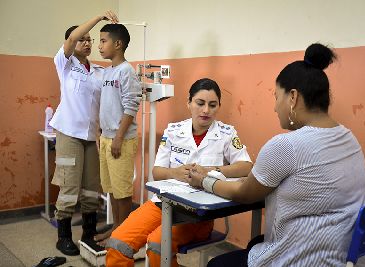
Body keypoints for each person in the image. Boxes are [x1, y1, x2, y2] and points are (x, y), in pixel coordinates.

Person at [188, 44, 365, 267]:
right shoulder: (349, 138)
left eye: (277, 97)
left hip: (311, 260)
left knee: (218, 264)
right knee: (256, 242)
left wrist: (204, 180)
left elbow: (245, 193)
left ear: (293, 97)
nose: (275, 108)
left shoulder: (287, 145)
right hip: (345, 255)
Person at [105, 78, 253, 267]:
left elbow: (246, 166)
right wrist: (174, 173)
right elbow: (157, 172)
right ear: (189, 103)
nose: (206, 110)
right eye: (200, 103)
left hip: (198, 214)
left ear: (219, 106)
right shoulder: (174, 130)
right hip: (163, 204)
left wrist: (211, 170)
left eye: (212, 105)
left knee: (158, 244)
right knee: (118, 242)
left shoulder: (226, 133)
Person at [50, 11, 118, 256]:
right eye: (83, 39)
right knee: (69, 186)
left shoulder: (100, 72)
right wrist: (99, 17)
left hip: (91, 136)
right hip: (68, 133)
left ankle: (88, 233)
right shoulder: (65, 64)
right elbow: (71, 40)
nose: (87, 43)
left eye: (91, 40)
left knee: (91, 187)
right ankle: (64, 236)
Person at [95, 23, 142, 245]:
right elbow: (106, 105)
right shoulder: (108, 71)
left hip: (120, 140)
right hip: (106, 137)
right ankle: (116, 228)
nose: (99, 46)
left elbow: (131, 107)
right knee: (112, 188)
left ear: (118, 44)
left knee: (122, 190)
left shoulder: (126, 71)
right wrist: (101, 134)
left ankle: (123, 235)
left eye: (103, 41)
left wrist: (118, 138)